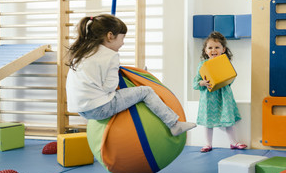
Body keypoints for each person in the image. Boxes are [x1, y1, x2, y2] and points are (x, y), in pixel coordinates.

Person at [66, 14, 196, 136]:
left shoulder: (83, 51)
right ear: (110, 36)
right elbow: (109, 88)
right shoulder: (111, 55)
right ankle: (174, 124)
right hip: (100, 108)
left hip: (79, 109)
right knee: (146, 91)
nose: (123, 43)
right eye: (122, 38)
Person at [193, 31, 246, 153]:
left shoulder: (225, 62)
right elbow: (195, 83)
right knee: (208, 123)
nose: (213, 50)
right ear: (206, 51)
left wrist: (225, 78)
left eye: (217, 47)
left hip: (223, 96)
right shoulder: (202, 65)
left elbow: (230, 79)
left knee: (228, 121)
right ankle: (208, 143)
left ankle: (233, 142)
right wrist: (202, 83)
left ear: (223, 49)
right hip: (208, 98)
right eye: (210, 47)